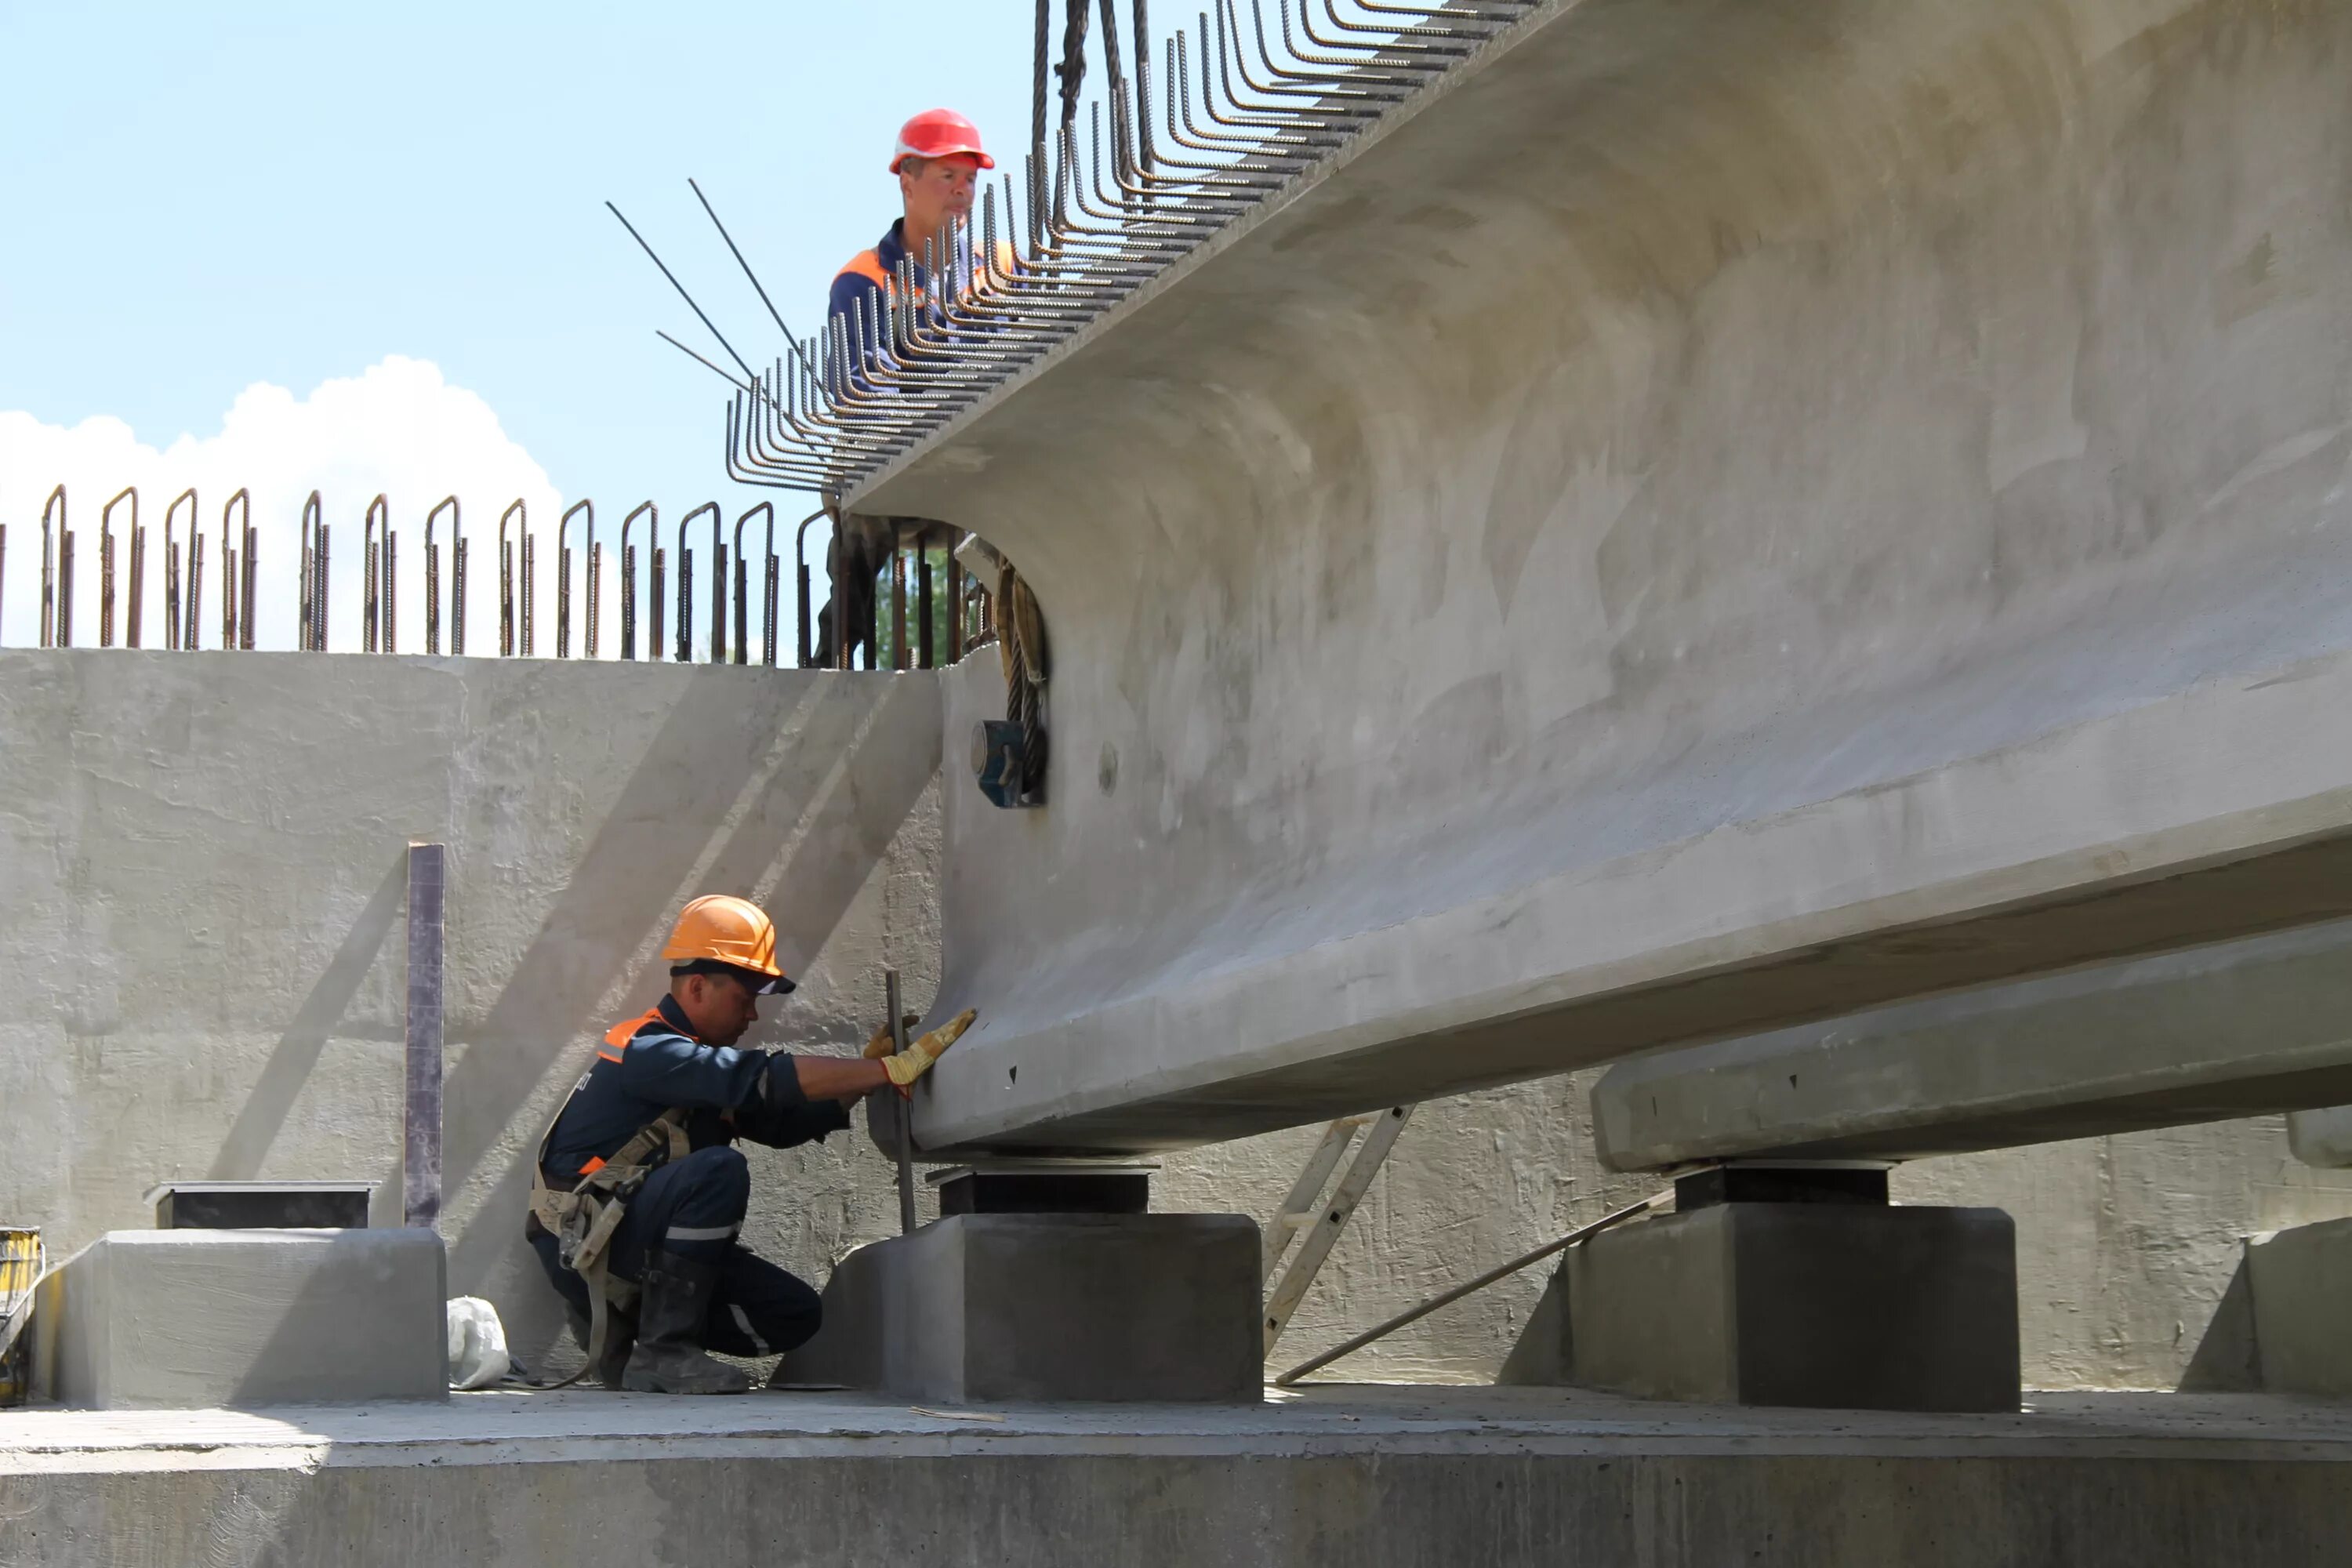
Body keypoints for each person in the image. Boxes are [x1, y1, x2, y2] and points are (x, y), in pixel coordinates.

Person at [524, 893, 975, 1395]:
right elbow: (760, 1079)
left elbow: (778, 1123)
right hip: (587, 1250)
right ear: (697, 986)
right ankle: (664, 1352)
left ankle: (633, 1346)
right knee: (717, 1170)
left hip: (619, 1240)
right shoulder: (650, 1051)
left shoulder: (691, 1063)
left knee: (794, 1314)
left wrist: (857, 1082)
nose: (753, 1016)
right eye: (746, 998)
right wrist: (884, 1071)